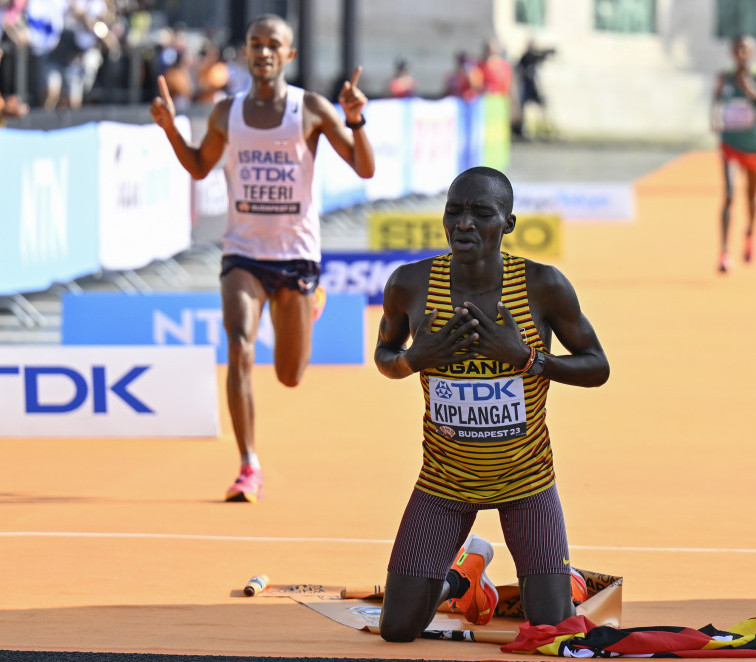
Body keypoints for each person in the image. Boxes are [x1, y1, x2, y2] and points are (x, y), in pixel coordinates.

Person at [373, 166, 609, 641]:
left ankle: (567, 581)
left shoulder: (542, 286)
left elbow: (596, 366)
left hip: (526, 481)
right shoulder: (411, 284)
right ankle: (463, 579)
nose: (464, 223)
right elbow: (385, 356)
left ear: (508, 223)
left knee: (551, 632)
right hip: (444, 481)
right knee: (396, 630)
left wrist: (527, 357)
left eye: (482, 212)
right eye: (454, 211)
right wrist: (415, 359)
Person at [149, 13, 375, 502]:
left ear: (289, 55)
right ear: (246, 53)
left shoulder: (309, 109)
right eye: (256, 44)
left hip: (296, 256)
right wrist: (170, 129)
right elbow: (199, 166)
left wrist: (355, 120)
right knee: (240, 346)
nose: (264, 51)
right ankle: (248, 465)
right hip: (244, 253)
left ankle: (311, 302)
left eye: (274, 44)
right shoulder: (225, 112)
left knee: (290, 376)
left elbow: (363, 167)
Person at [710, 33, 756, 274]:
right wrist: (716, 119)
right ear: (732, 52)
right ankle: (724, 253)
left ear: (753, 52)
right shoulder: (724, 77)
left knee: (751, 197)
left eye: (746, 50)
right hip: (730, 144)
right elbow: (716, 103)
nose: (742, 54)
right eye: (738, 49)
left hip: (754, 146)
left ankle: (750, 234)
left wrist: (752, 91)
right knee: (729, 194)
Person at [514, 39, 555, 139]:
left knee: (541, 105)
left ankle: (545, 128)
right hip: (526, 85)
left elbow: (539, 59)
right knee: (522, 107)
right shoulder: (526, 56)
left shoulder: (532, 57)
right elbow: (523, 64)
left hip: (533, 85)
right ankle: (520, 128)